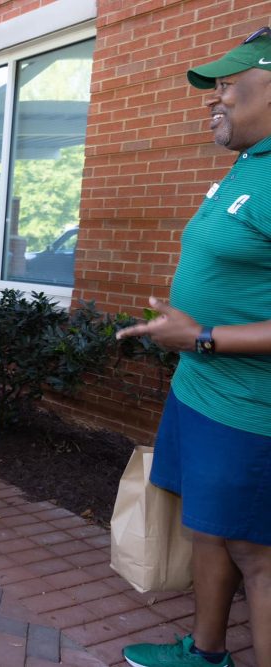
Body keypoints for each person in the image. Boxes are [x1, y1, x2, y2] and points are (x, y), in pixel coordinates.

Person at [116, 27, 271, 667]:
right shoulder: (250, 164)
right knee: (206, 527)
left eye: (230, 87)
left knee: (256, 554)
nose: (217, 101)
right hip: (200, 388)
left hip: (248, 404)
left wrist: (202, 336)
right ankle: (207, 655)